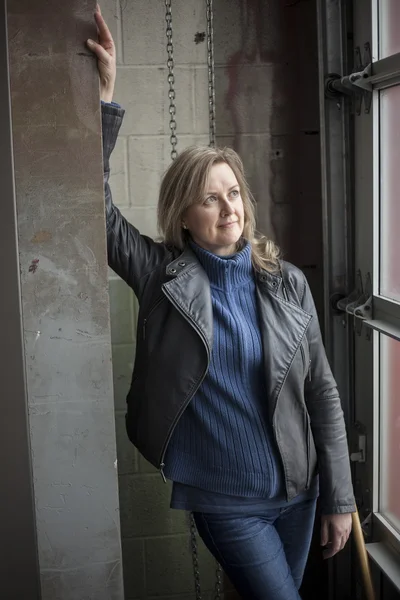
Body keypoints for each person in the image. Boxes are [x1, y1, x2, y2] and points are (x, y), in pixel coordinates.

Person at [87, 6, 355, 599]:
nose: (229, 207)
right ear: (183, 214)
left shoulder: (286, 283)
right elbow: (96, 214)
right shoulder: (162, 276)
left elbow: (323, 393)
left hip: (299, 492)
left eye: (233, 193)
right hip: (223, 499)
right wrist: (105, 98)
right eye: (209, 199)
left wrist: (340, 498)